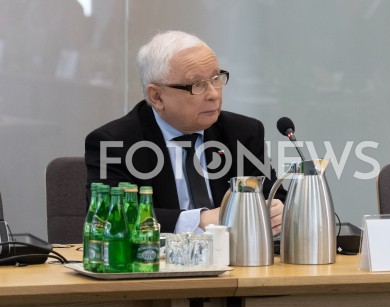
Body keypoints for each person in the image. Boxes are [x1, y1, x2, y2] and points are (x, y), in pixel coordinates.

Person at [85, 30, 286, 235]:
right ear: (157, 97)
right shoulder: (116, 142)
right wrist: (199, 220)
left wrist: (278, 211)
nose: (214, 94)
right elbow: (111, 217)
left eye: (216, 78)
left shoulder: (243, 133)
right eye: (197, 85)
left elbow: (276, 197)